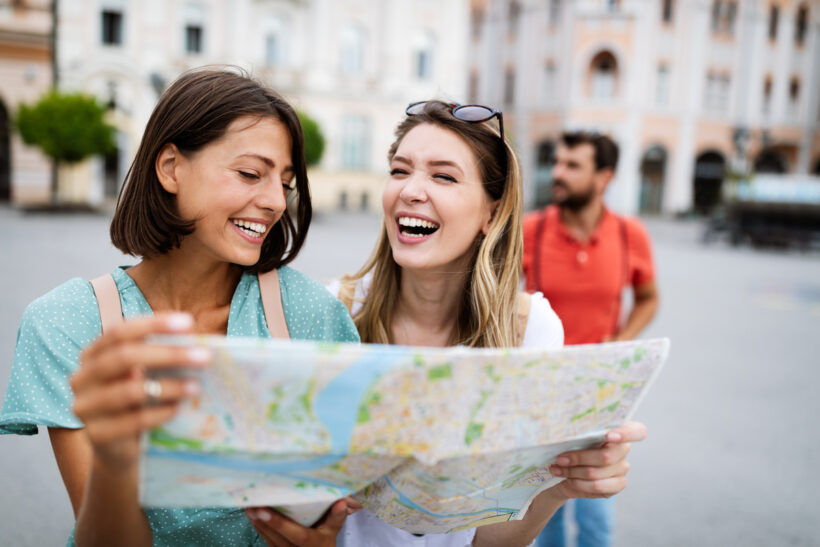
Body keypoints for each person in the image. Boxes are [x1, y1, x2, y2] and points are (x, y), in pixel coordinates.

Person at [247, 101, 648, 546]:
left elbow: (490, 541)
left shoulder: (530, 331)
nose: (411, 190)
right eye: (400, 171)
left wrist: (560, 489)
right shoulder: (330, 310)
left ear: (490, 214)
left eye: (443, 176)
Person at [0, 69, 361, 546]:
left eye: (286, 182)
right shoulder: (68, 323)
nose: (276, 201)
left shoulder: (311, 313)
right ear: (170, 167)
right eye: (251, 173)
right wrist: (116, 454)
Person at [524, 132, 659, 547]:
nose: (557, 173)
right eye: (557, 163)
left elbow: (649, 299)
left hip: (603, 397)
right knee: (543, 509)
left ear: (604, 178)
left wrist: (619, 342)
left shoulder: (628, 234)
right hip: (542, 395)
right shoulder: (532, 229)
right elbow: (495, 297)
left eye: (572, 166)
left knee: (596, 513)